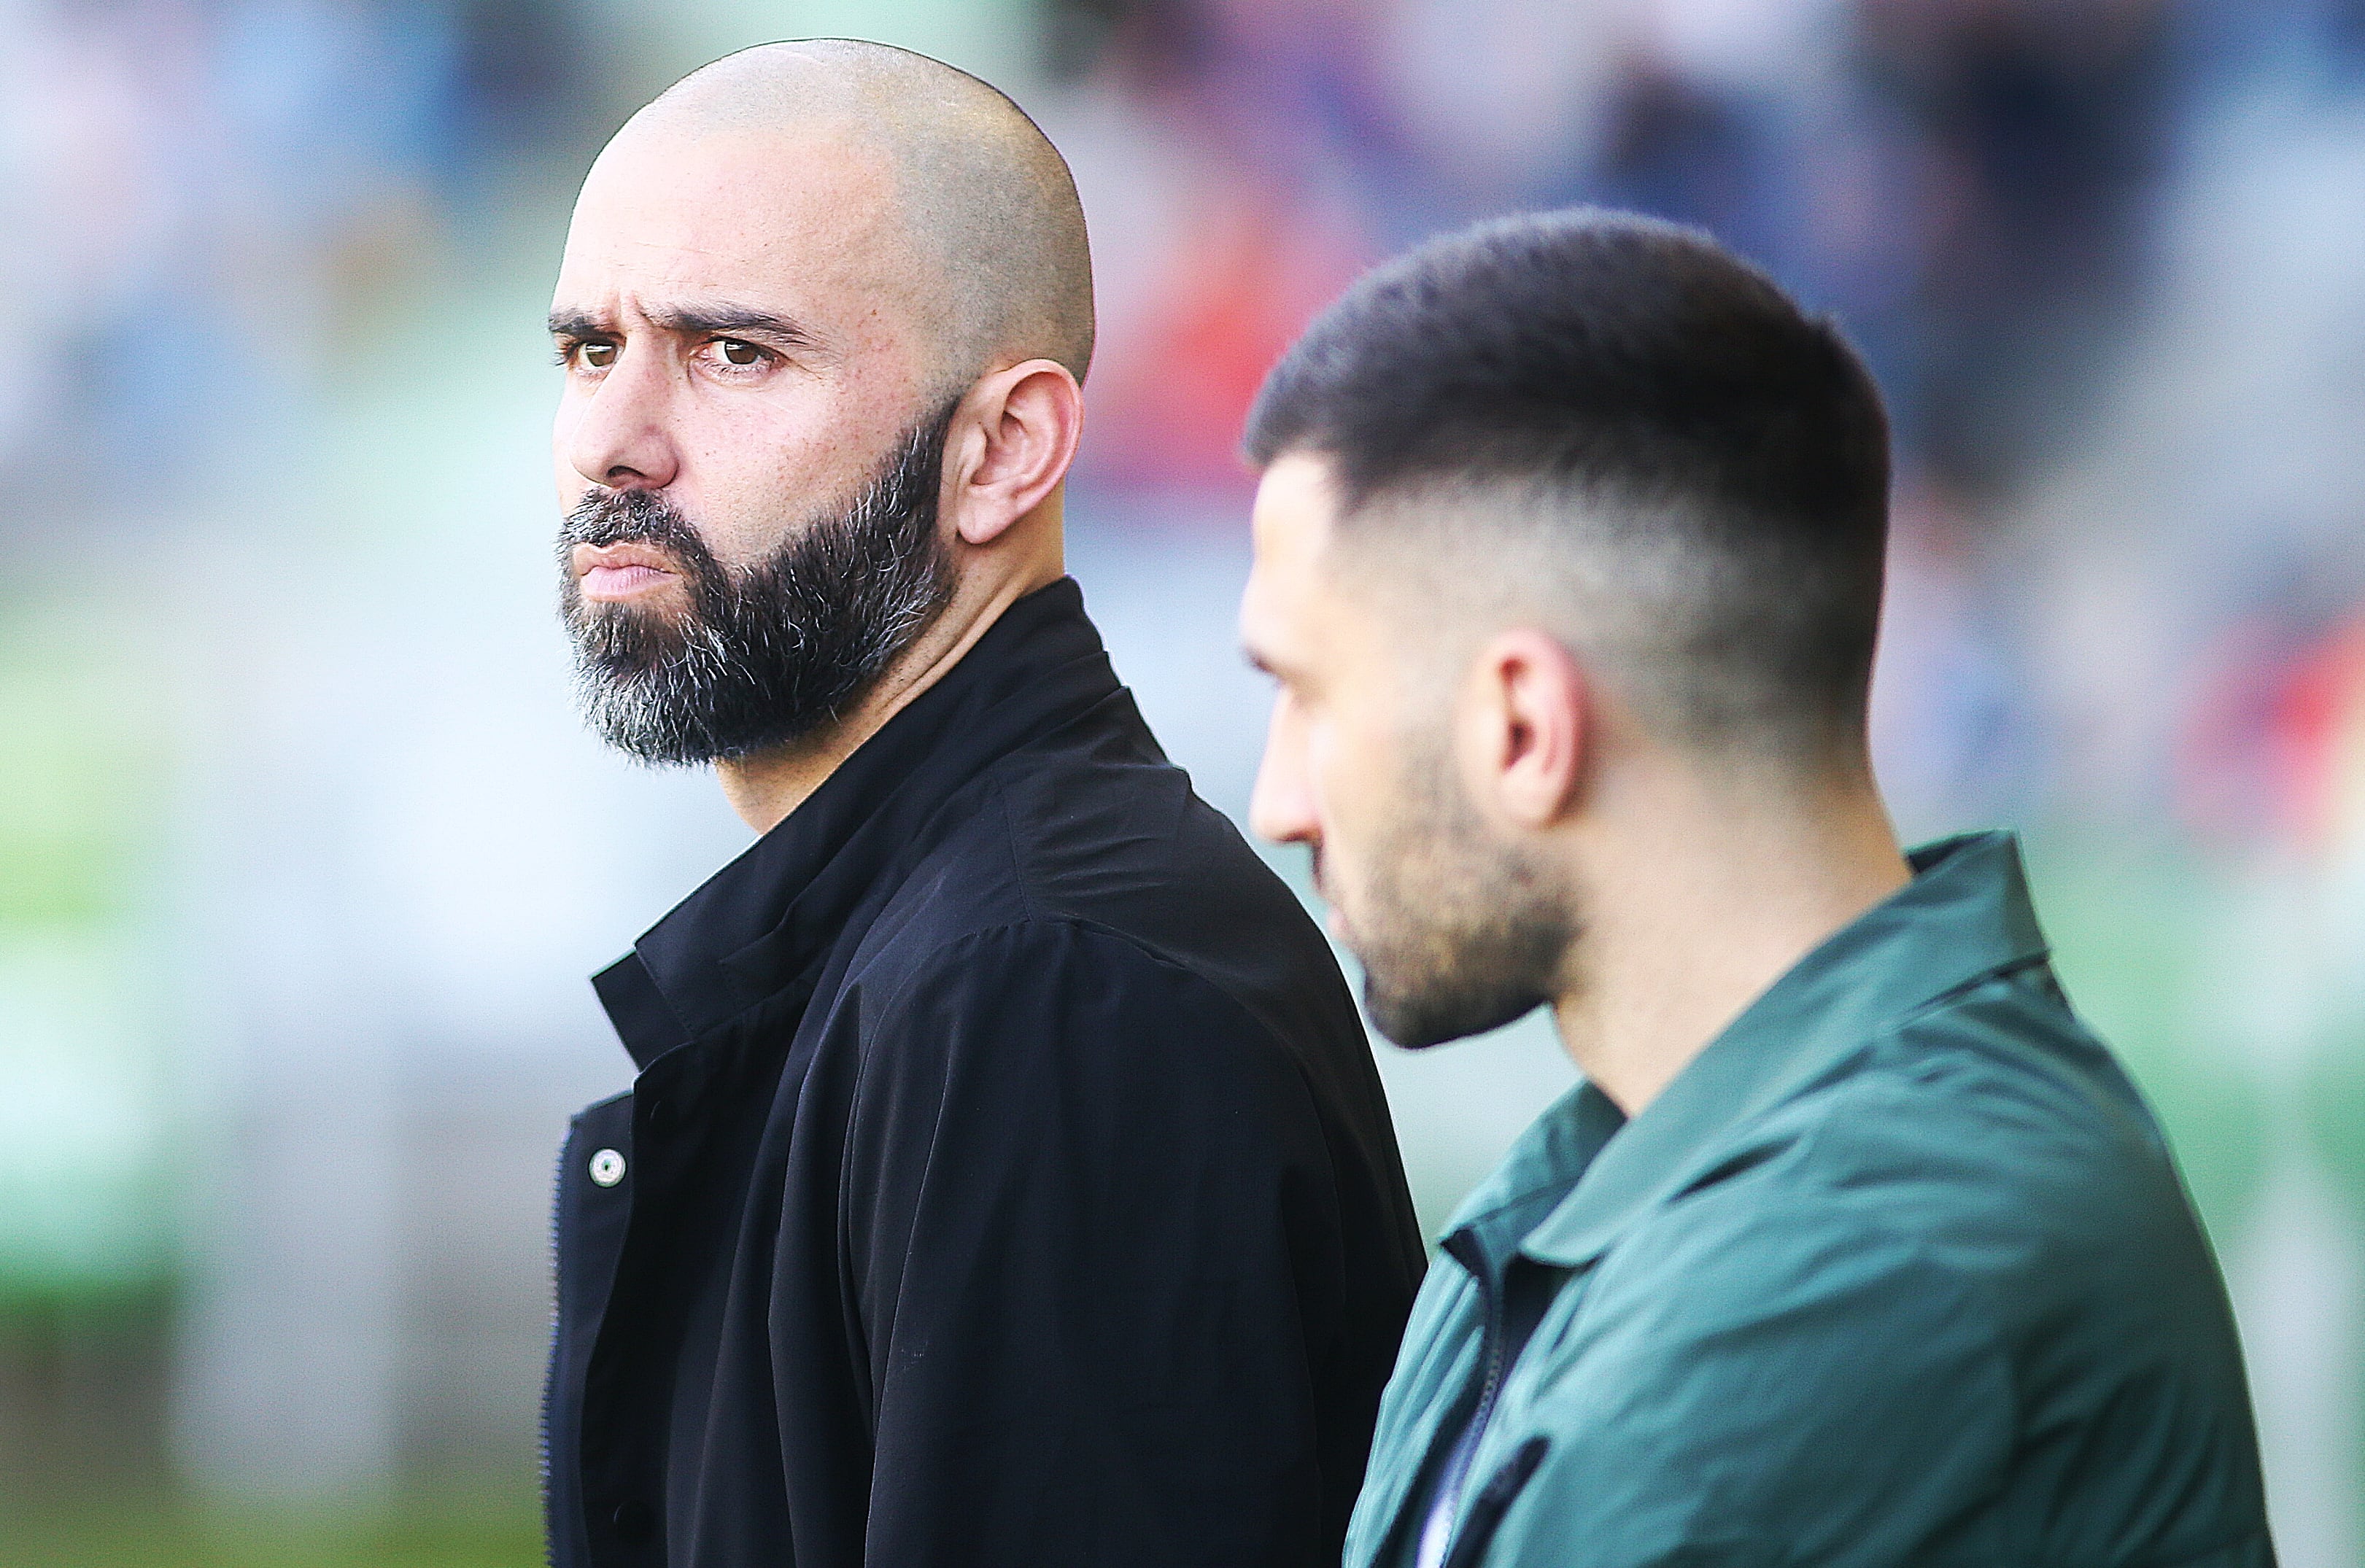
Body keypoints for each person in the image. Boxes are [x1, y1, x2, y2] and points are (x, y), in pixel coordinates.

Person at [1238, 209, 2273, 1568]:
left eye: (1306, 697)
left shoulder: (1868, 1254)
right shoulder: (1605, 1180)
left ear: (1520, 727)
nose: (1278, 802)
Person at [539, 40, 1424, 1568]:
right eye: (586, 349)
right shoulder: (934, 959)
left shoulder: (1048, 992)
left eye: (734, 352)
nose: (613, 438)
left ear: (1002, 451)